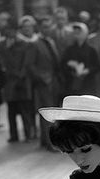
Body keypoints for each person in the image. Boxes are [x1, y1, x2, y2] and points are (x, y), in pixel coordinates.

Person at [26, 15, 62, 150]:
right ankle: (49, 143)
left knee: (52, 111)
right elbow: (30, 65)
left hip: (54, 81)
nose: (48, 29)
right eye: (45, 27)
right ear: (40, 28)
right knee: (48, 113)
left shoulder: (51, 41)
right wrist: (42, 78)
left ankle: (44, 140)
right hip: (44, 83)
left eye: (49, 26)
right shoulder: (34, 43)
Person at [0, 21, 34, 142]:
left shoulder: (24, 44)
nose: (10, 32)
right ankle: (14, 135)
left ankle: (28, 134)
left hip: (21, 81)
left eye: (12, 30)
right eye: (7, 30)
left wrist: (20, 75)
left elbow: (27, 63)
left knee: (25, 110)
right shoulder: (1, 45)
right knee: (11, 110)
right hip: (8, 82)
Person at [61, 22, 100, 96]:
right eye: (75, 31)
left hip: (87, 83)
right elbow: (63, 65)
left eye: (79, 31)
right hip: (72, 83)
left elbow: (97, 66)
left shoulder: (91, 50)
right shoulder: (69, 49)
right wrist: (71, 69)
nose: (76, 33)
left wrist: (88, 71)